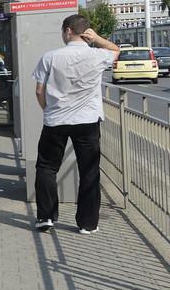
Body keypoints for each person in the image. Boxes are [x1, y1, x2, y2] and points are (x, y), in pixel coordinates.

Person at [31, 14, 119, 234]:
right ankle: (88, 224)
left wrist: (48, 110)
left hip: (56, 121)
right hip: (87, 121)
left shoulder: (50, 57)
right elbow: (116, 50)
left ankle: (46, 217)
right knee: (89, 171)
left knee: (46, 168)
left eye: (62, 31)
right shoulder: (97, 55)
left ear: (68, 30)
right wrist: (96, 38)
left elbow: (39, 90)